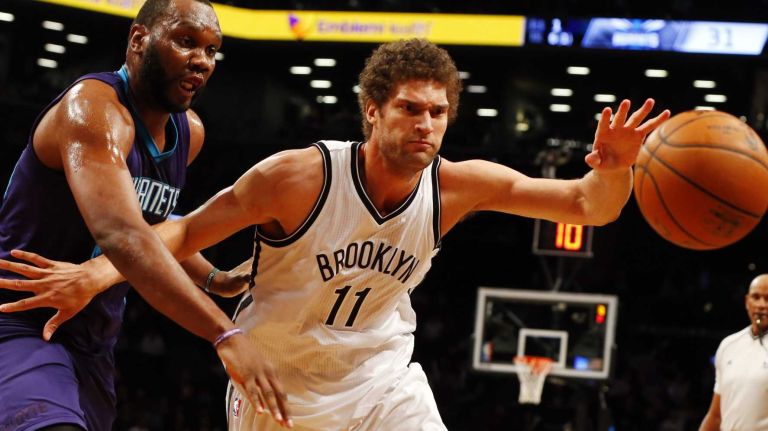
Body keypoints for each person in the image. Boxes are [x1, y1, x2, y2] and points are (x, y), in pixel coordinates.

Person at [0, 38, 669, 430]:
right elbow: (181, 231)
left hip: (380, 378)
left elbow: (588, 206)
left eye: (438, 112)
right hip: (276, 385)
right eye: (410, 108)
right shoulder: (297, 176)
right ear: (372, 111)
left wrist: (615, 168)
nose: (426, 124)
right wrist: (96, 274)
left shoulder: (458, 185)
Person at [0, 0, 290, 429]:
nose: (201, 60)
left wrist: (216, 279)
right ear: (139, 39)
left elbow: (154, 226)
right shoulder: (92, 109)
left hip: (93, 338)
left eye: (212, 50)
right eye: (186, 41)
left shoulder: (189, 133)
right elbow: (124, 236)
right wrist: (224, 333)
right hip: (21, 318)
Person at [699, 274, 768, 431]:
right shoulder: (728, 345)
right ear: (747, 302)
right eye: (756, 297)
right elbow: (716, 416)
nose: (761, 305)